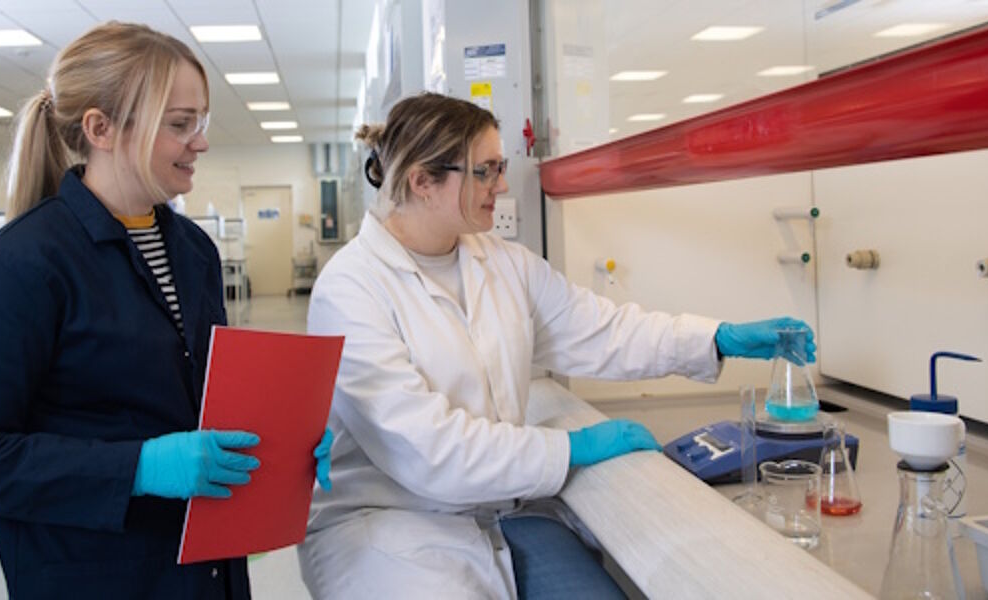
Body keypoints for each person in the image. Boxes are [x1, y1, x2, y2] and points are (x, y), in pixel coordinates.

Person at [299, 92, 816, 598]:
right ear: (423, 182)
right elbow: (429, 450)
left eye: (500, 167)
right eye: (485, 171)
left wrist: (717, 338)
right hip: (389, 525)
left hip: (500, 508)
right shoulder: (351, 289)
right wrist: (571, 447)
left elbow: (606, 330)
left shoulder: (503, 263)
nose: (501, 185)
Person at [0, 22, 330, 599]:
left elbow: (197, 396)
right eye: (180, 125)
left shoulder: (192, 250)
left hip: (207, 572)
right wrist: (138, 468)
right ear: (100, 128)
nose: (200, 142)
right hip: (96, 576)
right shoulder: (23, 265)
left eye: (199, 122)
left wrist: (280, 441)